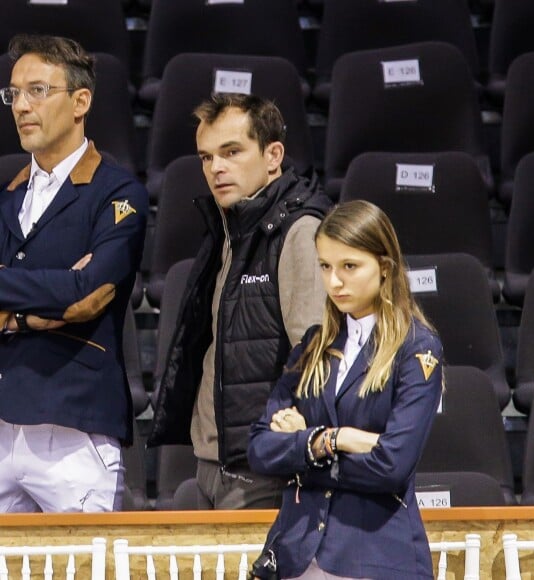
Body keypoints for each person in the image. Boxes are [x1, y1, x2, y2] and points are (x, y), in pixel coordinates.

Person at [148, 93, 332, 509]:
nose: (216, 168)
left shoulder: (299, 232)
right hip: (216, 467)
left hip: (268, 472)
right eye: (206, 157)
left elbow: (318, 353)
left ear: (273, 155)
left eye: (231, 152)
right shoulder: (231, 228)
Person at [247, 200, 444, 579]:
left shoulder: (417, 348)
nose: (334, 281)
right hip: (295, 553)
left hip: (374, 556)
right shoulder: (312, 344)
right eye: (325, 266)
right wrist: (334, 440)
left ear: (384, 268)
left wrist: (302, 450)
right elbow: (259, 448)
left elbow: (392, 466)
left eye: (349, 267)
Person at [0, 34, 148, 512]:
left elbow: (86, 293)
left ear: (81, 100)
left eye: (38, 91)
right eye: (14, 93)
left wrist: (13, 306)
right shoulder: (7, 196)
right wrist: (45, 302)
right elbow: (66, 289)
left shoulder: (117, 192)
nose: (22, 105)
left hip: (75, 425)